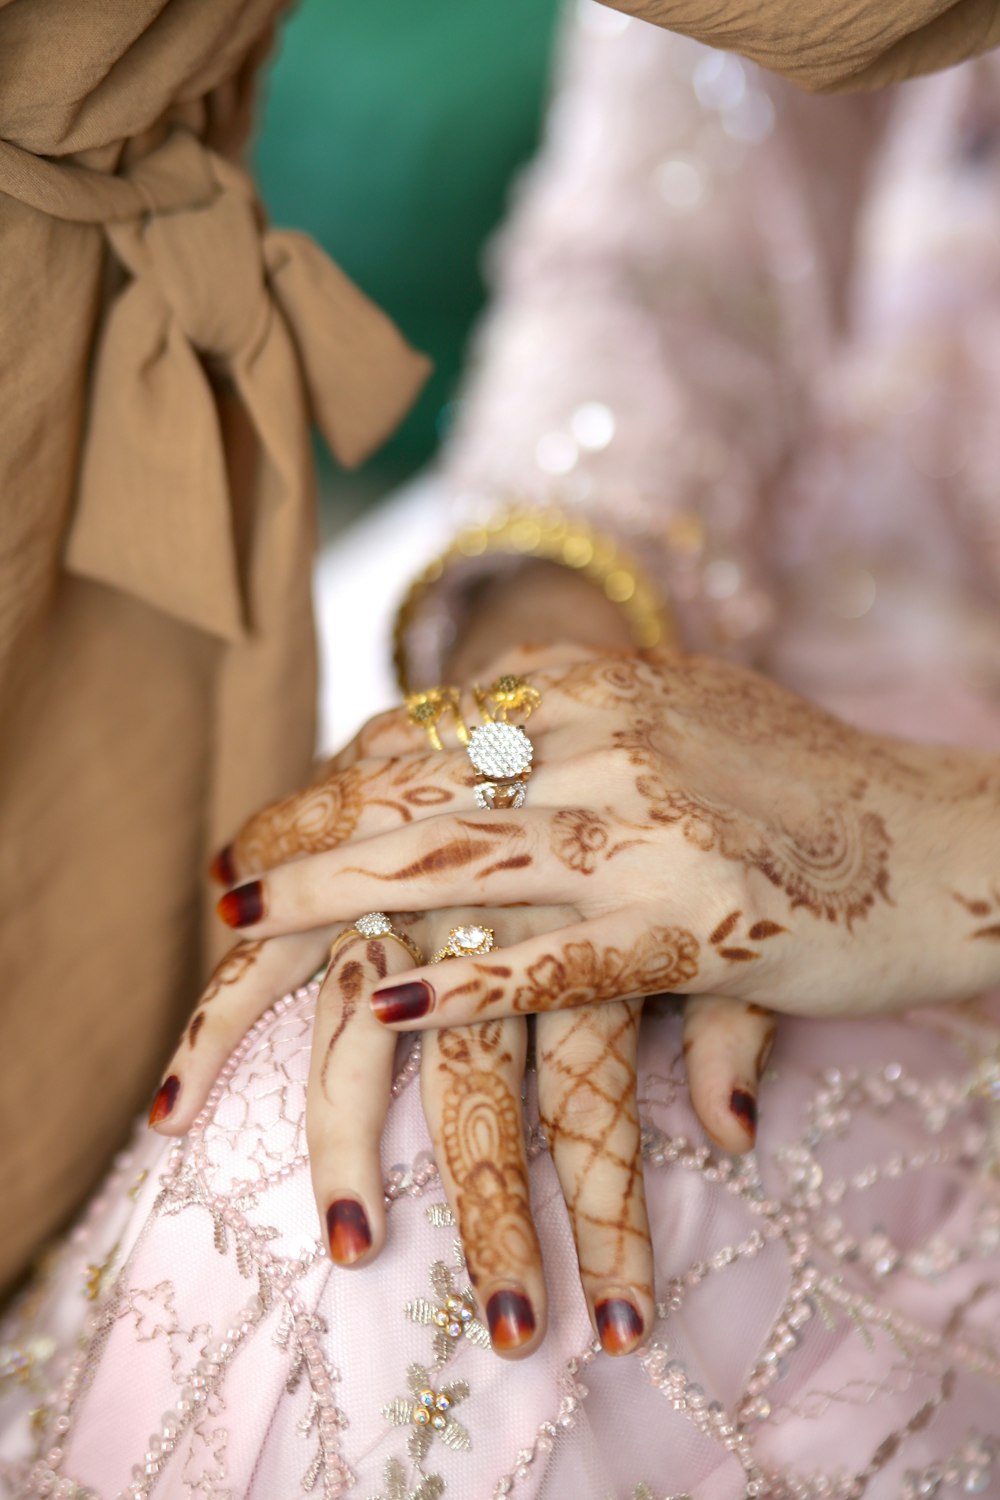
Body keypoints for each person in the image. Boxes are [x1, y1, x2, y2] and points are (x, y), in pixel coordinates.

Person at [4, 4, 1000, 1498]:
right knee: (387, 1119)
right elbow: (673, 255)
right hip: (799, 598)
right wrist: (549, 681)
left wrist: (926, 846)